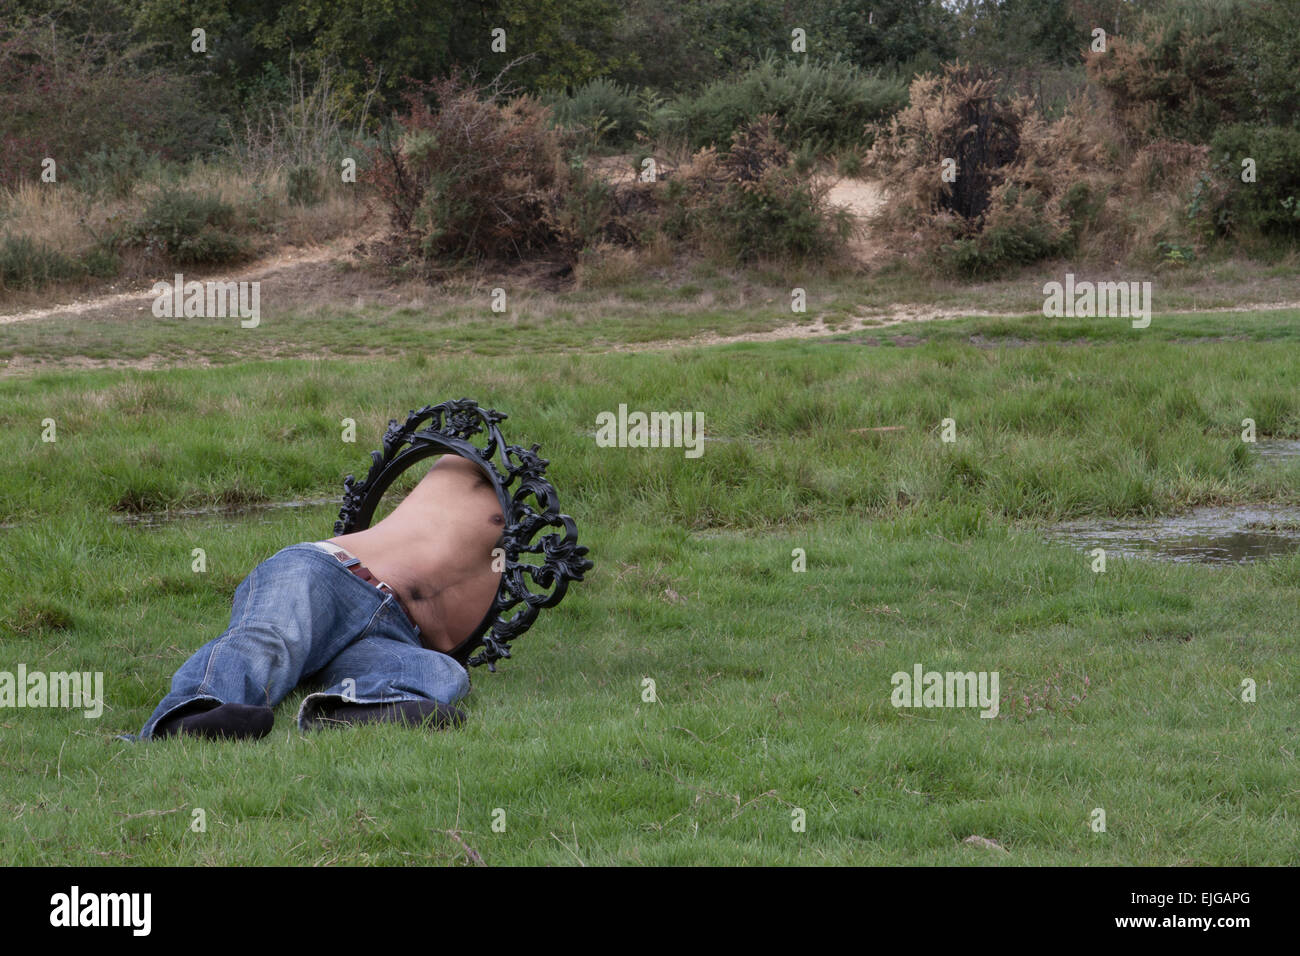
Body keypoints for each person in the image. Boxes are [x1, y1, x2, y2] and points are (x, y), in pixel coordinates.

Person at [135, 454, 505, 741]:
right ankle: (188, 715)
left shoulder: (525, 559)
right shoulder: (473, 465)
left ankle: (349, 710)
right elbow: (455, 433)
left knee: (443, 672)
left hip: (396, 631)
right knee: (269, 638)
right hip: (335, 573)